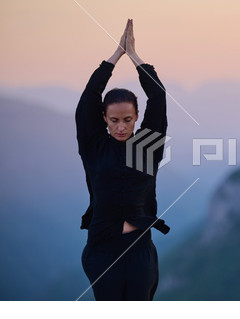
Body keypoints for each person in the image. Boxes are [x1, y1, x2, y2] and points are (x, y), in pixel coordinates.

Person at [76, 19, 169, 301]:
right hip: (102, 250)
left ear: (137, 117)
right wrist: (114, 56)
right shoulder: (94, 147)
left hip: (140, 251)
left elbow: (158, 95)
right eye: (114, 120)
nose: (120, 127)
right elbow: (89, 97)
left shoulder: (146, 146)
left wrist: (135, 56)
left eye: (127, 120)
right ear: (103, 118)